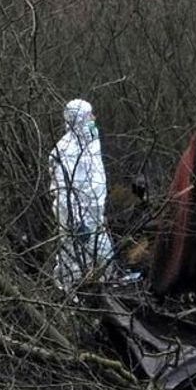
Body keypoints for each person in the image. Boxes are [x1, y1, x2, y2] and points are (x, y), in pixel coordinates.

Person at [49, 99, 115, 294]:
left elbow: (95, 182)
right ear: (78, 119)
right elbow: (62, 192)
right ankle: (73, 301)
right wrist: (75, 222)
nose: (93, 119)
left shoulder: (91, 145)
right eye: (89, 116)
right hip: (79, 222)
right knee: (74, 263)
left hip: (95, 219)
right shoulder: (65, 150)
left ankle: (101, 298)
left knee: (103, 258)